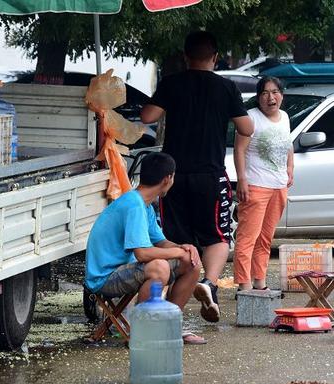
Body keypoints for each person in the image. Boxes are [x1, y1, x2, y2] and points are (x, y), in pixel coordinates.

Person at [141, 31, 253, 323]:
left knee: (174, 237)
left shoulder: (172, 84)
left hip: (172, 177)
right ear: (215, 57)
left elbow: (147, 117)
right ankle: (210, 283)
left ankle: (164, 293)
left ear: (185, 56)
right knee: (217, 236)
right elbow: (247, 129)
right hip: (210, 174)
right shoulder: (226, 87)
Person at [84, 152, 206, 344]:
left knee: (191, 263)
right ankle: (142, 334)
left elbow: (161, 242)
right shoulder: (134, 205)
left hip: (123, 271)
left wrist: (184, 248)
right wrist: (176, 252)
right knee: (159, 267)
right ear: (168, 179)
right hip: (103, 278)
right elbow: (142, 254)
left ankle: (169, 326)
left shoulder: (145, 205)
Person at [233, 76, 293, 292]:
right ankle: (244, 284)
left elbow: (287, 145)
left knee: (266, 238)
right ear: (258, 98)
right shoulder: (251, 118)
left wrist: (290, 169)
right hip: (256, 184)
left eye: (275, 92)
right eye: (265, 93)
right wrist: (242, 179)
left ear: (281, 95)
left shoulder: (285, 117)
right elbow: (239, 150)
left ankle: (260, 281)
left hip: (279, 186)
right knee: (248, 237)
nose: (271, 97)